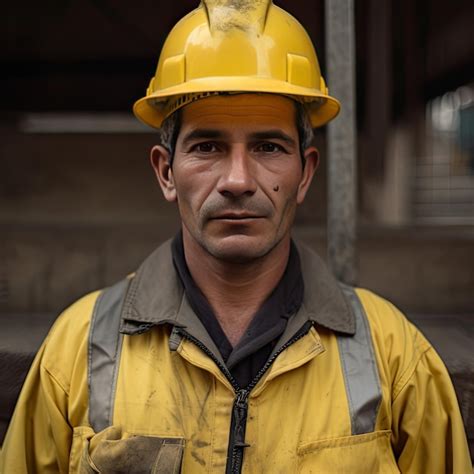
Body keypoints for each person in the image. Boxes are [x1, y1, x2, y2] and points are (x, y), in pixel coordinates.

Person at [1, 1, 471, 472]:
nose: (238, 180)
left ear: (305, 174)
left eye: (268, 146)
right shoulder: (77, 348)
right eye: (207, 146)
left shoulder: (396, 357)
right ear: (166, 172)